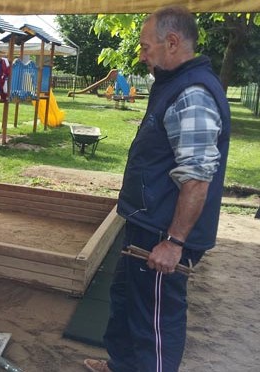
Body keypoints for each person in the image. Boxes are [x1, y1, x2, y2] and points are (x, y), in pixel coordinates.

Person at [85, 6, 230, 372]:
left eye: (146, 47)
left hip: (163, 235)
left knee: (155, 324)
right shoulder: (173, 84)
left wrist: (175, 243)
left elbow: (197, 178)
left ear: (172, 42)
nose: (141, 54)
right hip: (145, 224)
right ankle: (121, 366)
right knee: (125, 303)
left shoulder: (192, 94)